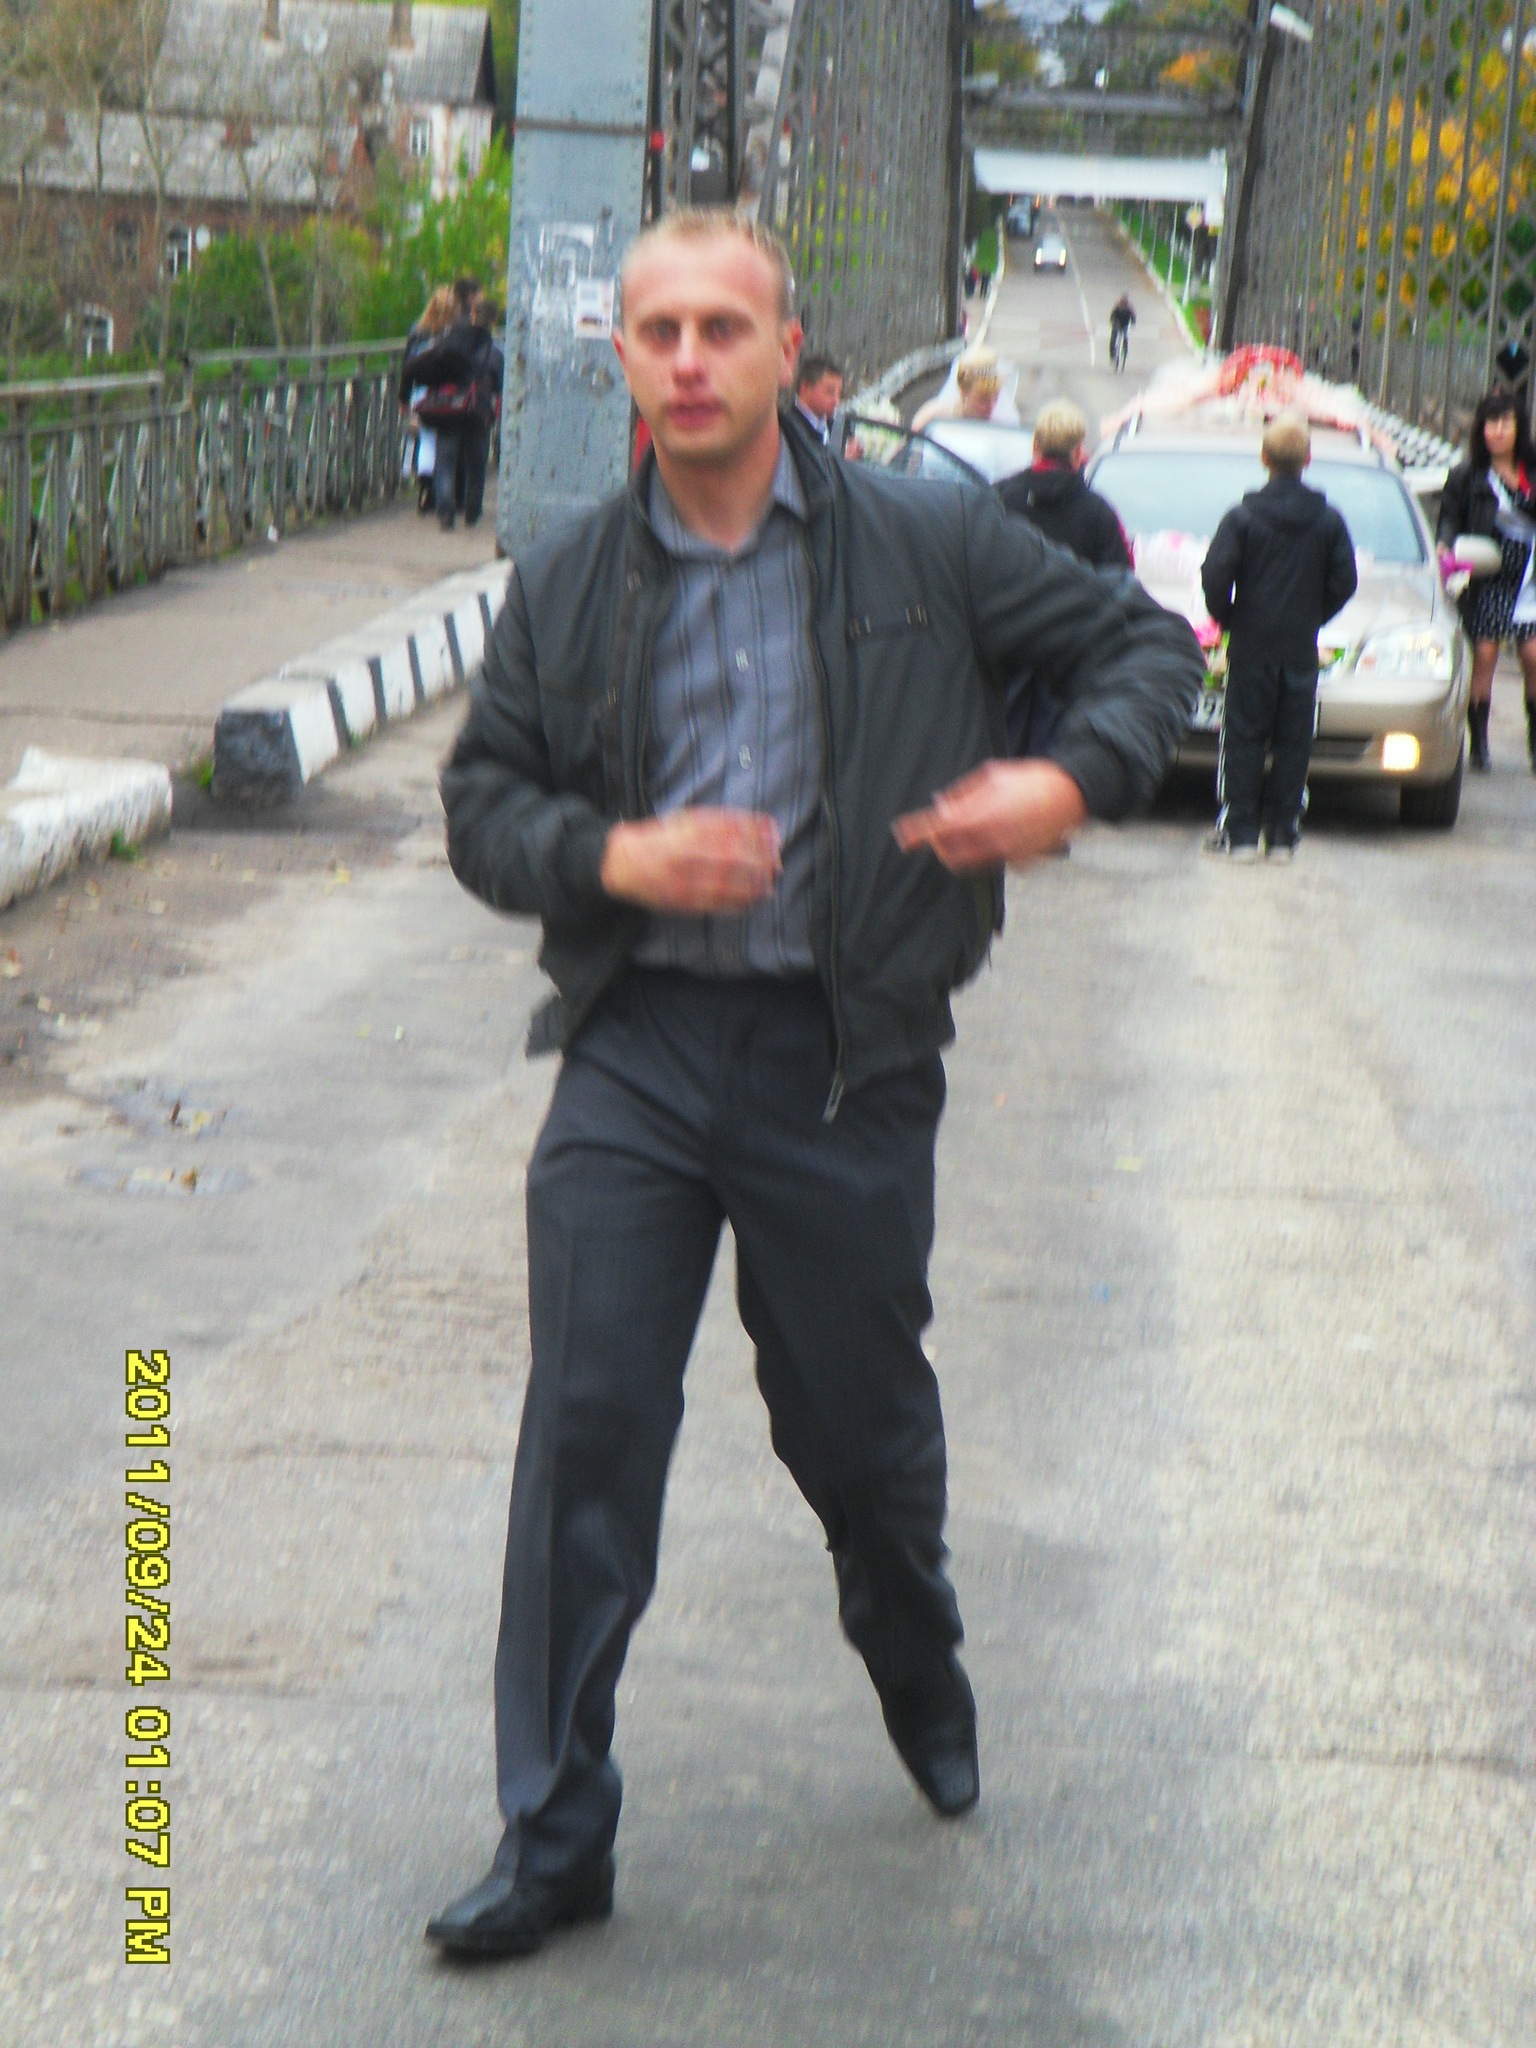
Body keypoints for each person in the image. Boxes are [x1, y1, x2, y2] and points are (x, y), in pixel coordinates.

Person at [429, 206, 1201, 1962]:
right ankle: (554, 1832)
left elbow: (1149, 652)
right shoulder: (568, 581)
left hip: (845, 1060)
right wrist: (614, 855)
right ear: (621, 358)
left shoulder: (931, 539)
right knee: (587, 1426)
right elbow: (482, 808)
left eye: (724, 328)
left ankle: (913, 1646)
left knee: (855, 1431)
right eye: (659, 332)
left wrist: (1064, 783)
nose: (690, 359)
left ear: (788, 351)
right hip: (637, 1049)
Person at [1200, 412, 1358, 861]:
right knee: (1294, 741)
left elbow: (1215, 574)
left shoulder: (1242, 517)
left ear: (1264, 458)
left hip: (1251, 645)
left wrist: (1230, 617)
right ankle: (1283, 836)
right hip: (1300, 646)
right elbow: (1345, 580)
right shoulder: (1328, 520)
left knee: (1243, 737)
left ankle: (1241, 836)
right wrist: (1314, 616)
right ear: (1308, 460)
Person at [1436, 384, 1536, 772]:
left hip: (1529, 576)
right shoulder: (1468, 475)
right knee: (1486, 652)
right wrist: (1446, 546)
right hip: (1489, 574)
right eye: (1490, 423)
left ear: (1518, 426)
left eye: (1505, 423)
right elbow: (1450, 517)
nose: (1497, 431)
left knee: (1532, 655)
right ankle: (1478, 742)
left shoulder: (1530, 470)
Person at [998, 399, 1131, 571]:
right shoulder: (1099, 513)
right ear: (1077, 453)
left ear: (1035, 445)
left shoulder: (999, 499)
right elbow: (1121, 576)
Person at [409, 291, 502, 530]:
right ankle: (472, 510)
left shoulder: (450, 340)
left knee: (446, 461)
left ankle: (446, 512)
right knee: (476, 463)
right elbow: (498, 388)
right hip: (478, 410)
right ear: (494, 320)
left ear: (472, 314)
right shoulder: (495, 350)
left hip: (448, 407)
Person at [400, 285, 457, 515]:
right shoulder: (456, 331)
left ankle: (425, 488)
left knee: (426, 440)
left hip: (422, 393)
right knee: (448, 443)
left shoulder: (418, 331)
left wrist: (404, 396)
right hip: (449, 393)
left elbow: (408, 365)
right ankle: (444, 493)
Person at [911, 348, 1014, 432]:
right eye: (983, 399)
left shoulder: (1002, 428)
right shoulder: (932, 418)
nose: (991, 407)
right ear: (964, 391)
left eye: (995, 398)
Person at [793, 351, 843, 444]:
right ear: (805, 387)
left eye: (839, 394)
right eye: (830, 391)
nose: (836, 401)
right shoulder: (788, 428)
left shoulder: (831, 426)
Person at [1108, 295, 1135, 370]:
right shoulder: (1117, 308)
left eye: (1124, 303)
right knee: (1113, 339)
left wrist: (1133, 322)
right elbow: (1112, 317)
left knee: (1125, 337)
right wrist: (1113, 322)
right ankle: (1112, 354)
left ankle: (1125, 350)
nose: (1123, 305)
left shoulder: (1129, 309)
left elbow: (1133, 317)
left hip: (1125, 325)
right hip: (1117, 325)